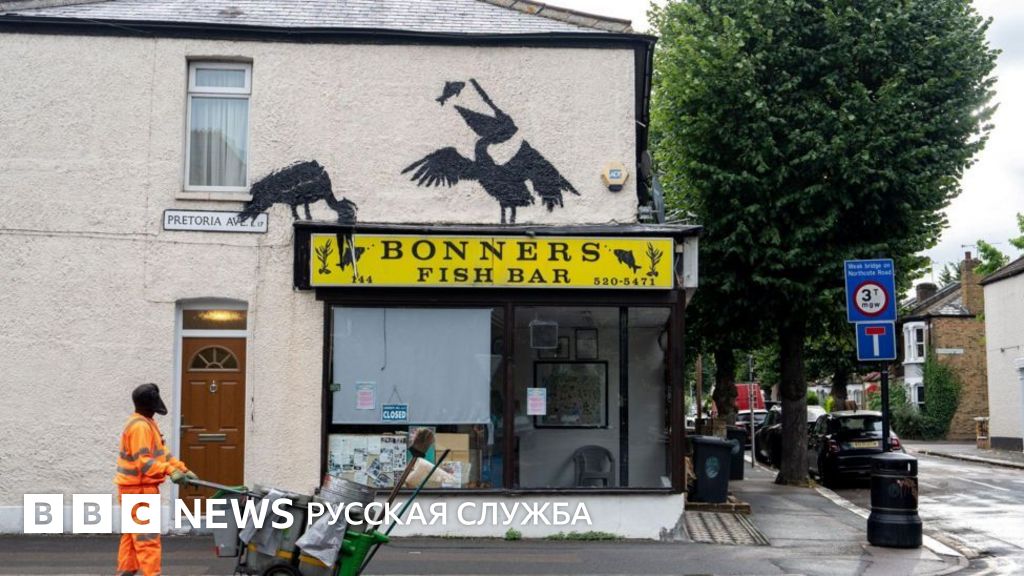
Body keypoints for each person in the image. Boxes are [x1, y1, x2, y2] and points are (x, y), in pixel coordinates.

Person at [114, 383, 196, 576]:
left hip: (136, 489)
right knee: (147, 539)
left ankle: (126, 571)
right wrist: (170, 470)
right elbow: (144, 463)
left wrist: (182, 469)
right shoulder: (140, 427)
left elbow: (162, 454)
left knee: (132, 537)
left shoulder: (147, 422)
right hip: (138, 490)